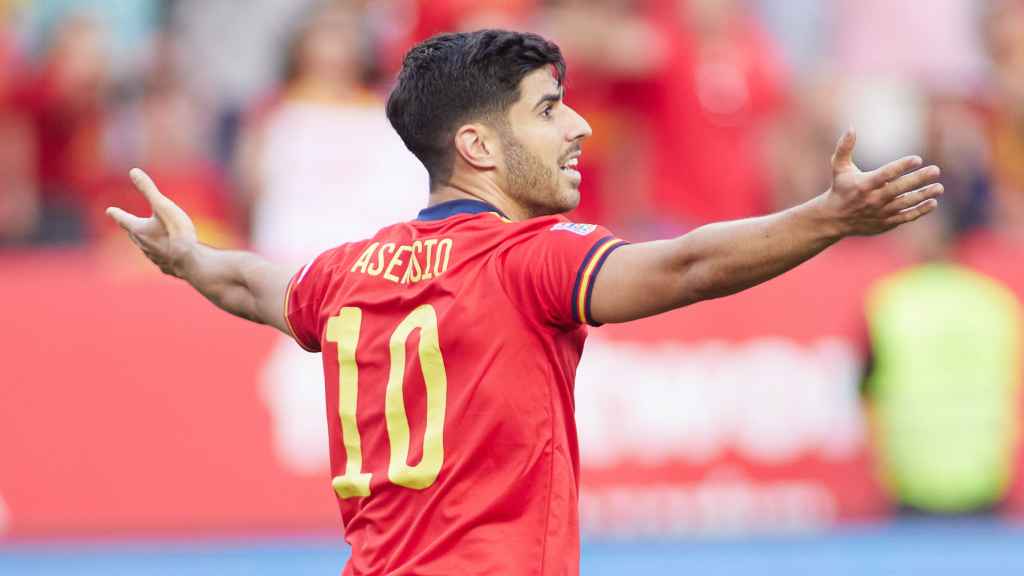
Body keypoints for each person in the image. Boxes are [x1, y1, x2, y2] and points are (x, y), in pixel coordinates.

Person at [106, 29, 942, 576]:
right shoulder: (525, 261)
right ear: (476, 147)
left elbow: (255, 285)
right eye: (548, 110)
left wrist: (190, 259)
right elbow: (687, 266)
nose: (578, 126)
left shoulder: (346, 271)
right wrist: (831, 217)